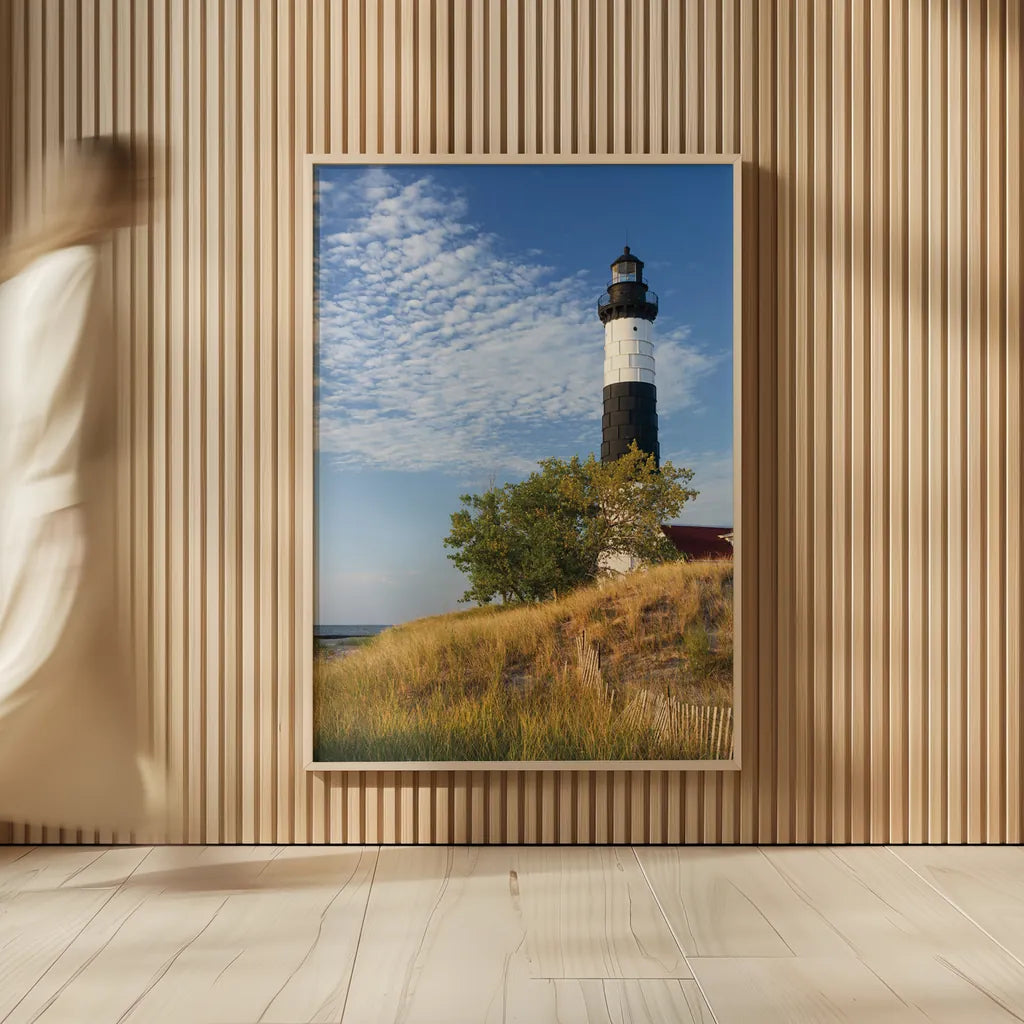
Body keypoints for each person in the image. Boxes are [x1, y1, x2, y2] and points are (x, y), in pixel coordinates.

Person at [0, 135, 167, 837]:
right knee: (30, 672)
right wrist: (68, 516)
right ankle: (179, 853)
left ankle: (177, 851)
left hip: (44, 502)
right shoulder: (76, 270)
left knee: (107, 694)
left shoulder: (29, 275)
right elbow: (53, 400)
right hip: (62, 512)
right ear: (110, 192)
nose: (149, 197)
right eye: (140, 184)